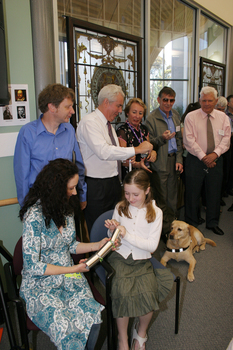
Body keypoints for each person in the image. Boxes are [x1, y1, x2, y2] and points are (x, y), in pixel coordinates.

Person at [19, 158, 117, 350]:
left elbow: (71, 245)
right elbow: (33, 266)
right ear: (55, 188)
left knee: (93, 317)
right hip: (41, 285)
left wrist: (97, 245)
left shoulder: (66, 209)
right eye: (70, 188)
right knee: (66, 328)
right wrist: (74, 268)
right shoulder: (34, 216)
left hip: (70, 276)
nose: (74, 193)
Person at [105, 169, 173, 350]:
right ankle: (123, 339)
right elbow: (113, 239)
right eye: (127, 193)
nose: (130, 198)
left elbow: (151, 246)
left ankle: (140, 333)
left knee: (149, 294)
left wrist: (126, 234)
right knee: (122, 291)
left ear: (147, 191)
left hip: (142, 260)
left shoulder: (156, 212)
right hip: (119, 257)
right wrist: (112, 230)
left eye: (135, 194)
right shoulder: (120, 207)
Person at [77, 84, 153, 233]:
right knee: (98, 229)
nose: (120, 111)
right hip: (96, 185)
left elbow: (116, 155)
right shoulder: (89, 122)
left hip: (112, 182)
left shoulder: (109, 126)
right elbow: (104, 152)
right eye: (118, 106)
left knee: (113, 226)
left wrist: (141, 158)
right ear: (106, 102)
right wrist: (137, 149)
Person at [14, 83, 87, 210]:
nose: (72, 111)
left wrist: (82, 195)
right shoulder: (27, 133)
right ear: (52, 107)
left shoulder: (69, 130)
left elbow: (77, 166)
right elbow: (22, 174)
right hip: (39, 202)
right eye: (68, 107)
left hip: (67, 199)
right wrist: (26, 206)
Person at [183, 86, 231, 235]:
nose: (207, 104)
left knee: (214, 193)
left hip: (216, 160)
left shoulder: (223, 118)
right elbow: (189, 140)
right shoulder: (191, 117)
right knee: (192, 193)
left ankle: (212, 222)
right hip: (195, 160)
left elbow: (226, 139)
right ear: (199, 100)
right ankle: (191, 223)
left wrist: (214, 154)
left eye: (210, 100)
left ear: (216, 101)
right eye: (204, 100)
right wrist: (204, 157)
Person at [145, 86, 183, 241]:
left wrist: (180, 159)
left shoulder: (175, 115)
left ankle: (172, 228)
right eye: (165, 100)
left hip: (174, 161)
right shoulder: (151, 118)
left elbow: (179, 140)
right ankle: (162, 231)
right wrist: (162, 138)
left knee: (173, 198)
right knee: (162, 199)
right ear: (159, 100)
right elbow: (148, 144)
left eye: (171, 100)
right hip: (160, 162)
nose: (168, 103)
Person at [117, 97, 157, 179]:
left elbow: (149, 148)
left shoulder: (144, 129)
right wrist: (136, 163)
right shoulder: (122, 131)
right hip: (130, 174)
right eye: (134, 112)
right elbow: (121, 160)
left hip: (144, 172)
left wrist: (153, 153)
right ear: (127, 112)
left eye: (140, 113)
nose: (137, 116)